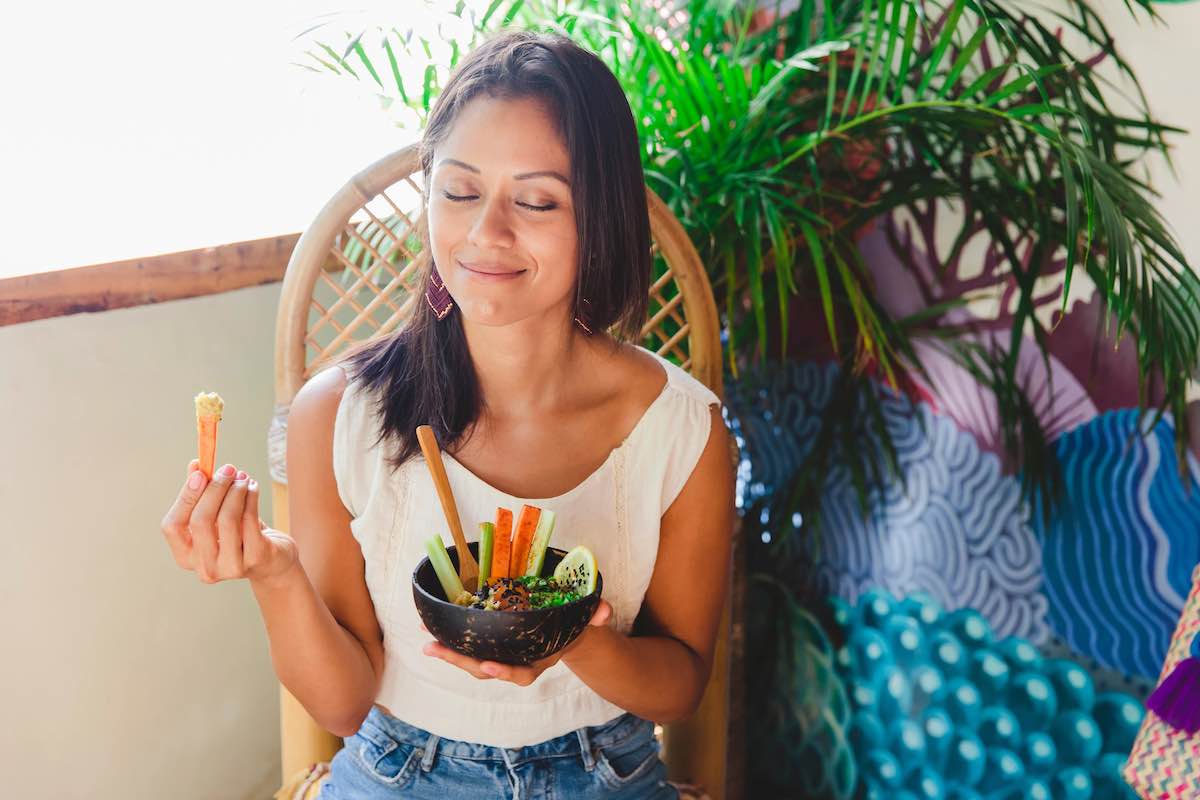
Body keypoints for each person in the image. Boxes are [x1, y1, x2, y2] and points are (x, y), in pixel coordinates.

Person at [159, 28, 734, 800]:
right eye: (460, 191)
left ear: (601, 216)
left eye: (535, 200)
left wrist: (565, 640)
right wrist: (273, 570)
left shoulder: (681, 430)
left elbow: (680, 685)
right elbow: (341, 702)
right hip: (400, 771)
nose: (486, 232)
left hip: (605, 772)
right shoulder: (337, 415)